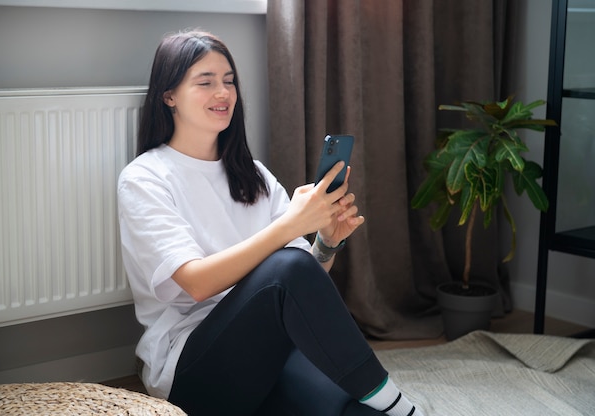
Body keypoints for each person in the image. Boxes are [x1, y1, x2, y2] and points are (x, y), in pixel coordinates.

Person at [117, 30, 424, 416]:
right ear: (169, 96)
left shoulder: (253, 174)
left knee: (353, 409)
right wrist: (288, 226)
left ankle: (384, 405)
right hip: (191, 370)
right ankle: (404, 408)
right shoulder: (145, 178)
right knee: (286, 266)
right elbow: (197, 283)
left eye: (229, 81)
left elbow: (298, 283)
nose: (223, 93)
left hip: (266, 351)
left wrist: (327, 243)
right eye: (206, 82)